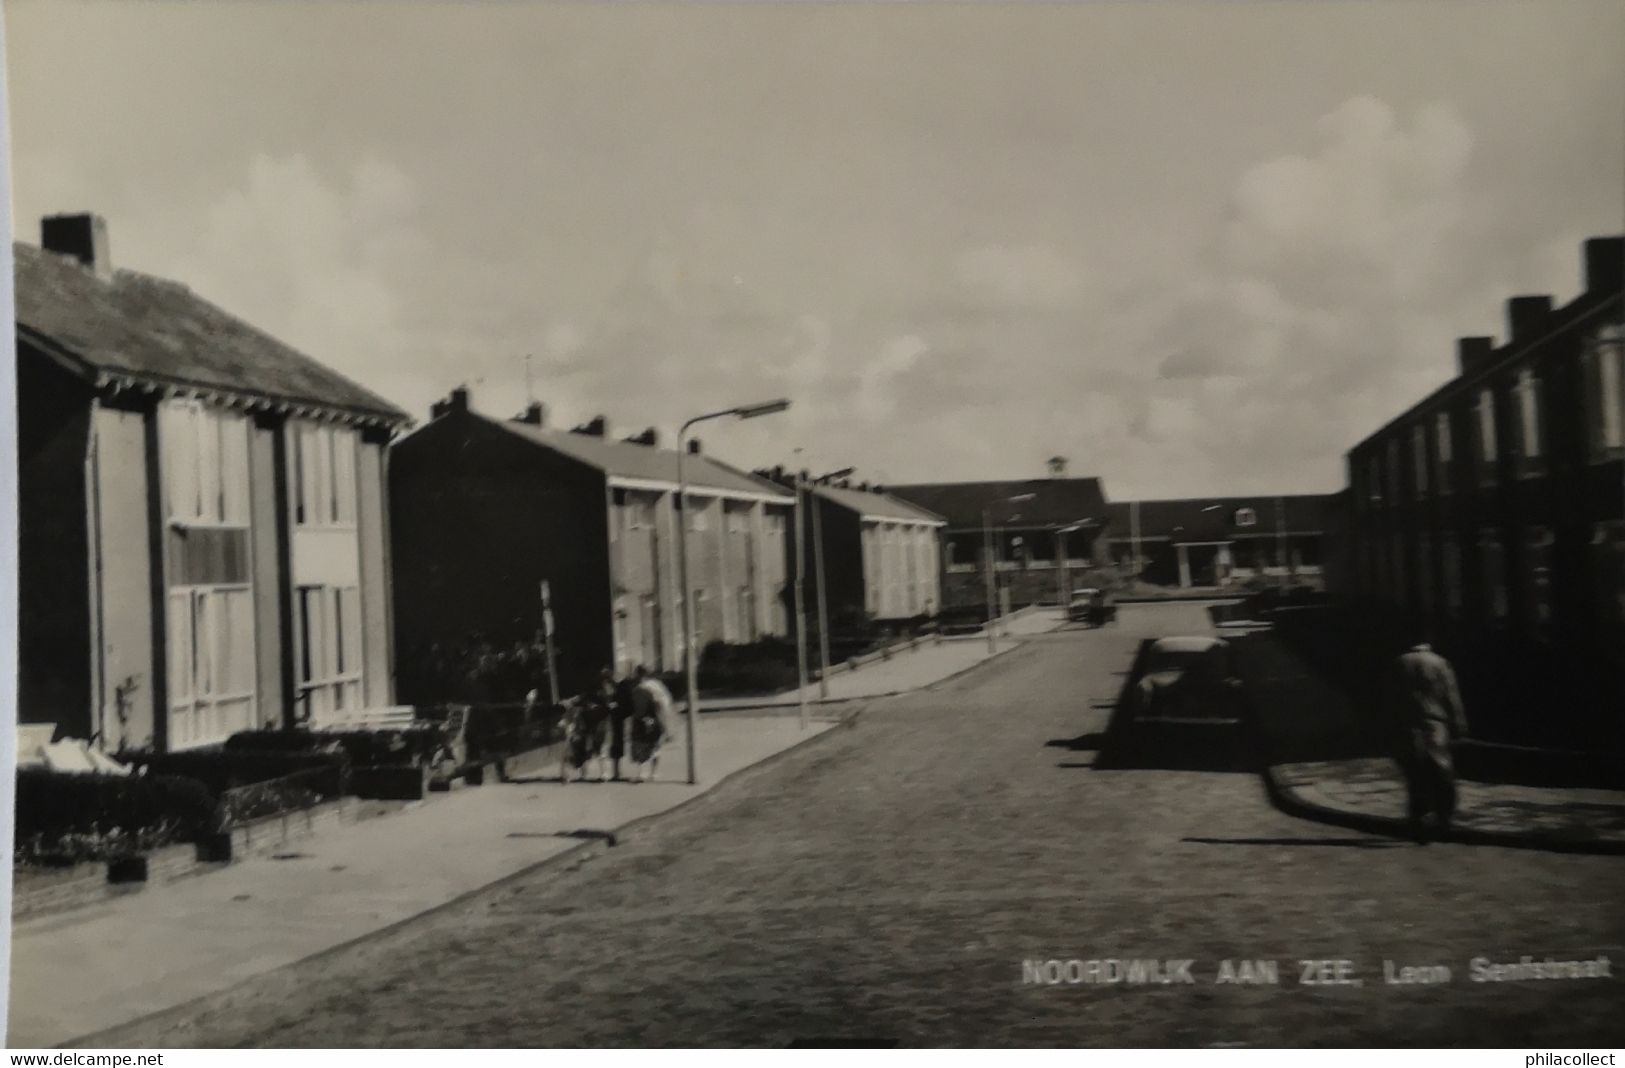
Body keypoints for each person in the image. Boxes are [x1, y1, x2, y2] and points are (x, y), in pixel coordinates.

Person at [1386, 634, 1469, 843]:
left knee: (1415, 774)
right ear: (1427, 645)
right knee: (1442, 771)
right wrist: (1459, 724)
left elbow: (1391, 698)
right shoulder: (1440, 663)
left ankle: (1417, 821)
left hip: (1408, 724)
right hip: (1435, 723)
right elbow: (1451, 696)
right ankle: (1444, 819)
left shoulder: (1400, 663)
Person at [628, 665, 676, 783]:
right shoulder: (657, 686)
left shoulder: (636, 688)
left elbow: (633, 706)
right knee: (654, 746)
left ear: (638, 674)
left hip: (640, 719)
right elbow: (664, 703)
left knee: (640, 745)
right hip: (653, 718)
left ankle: (642, 773)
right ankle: (653, 773)